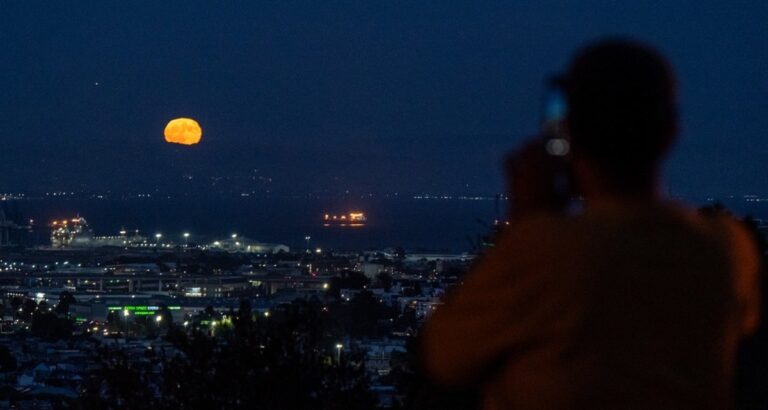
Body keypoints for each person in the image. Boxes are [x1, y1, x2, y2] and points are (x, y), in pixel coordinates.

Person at [421, 39, 761, 409]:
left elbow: (444, 357)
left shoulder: (548, 253)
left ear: (569, 134)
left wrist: (526, 225)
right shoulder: (729, 250)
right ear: (671, 132)